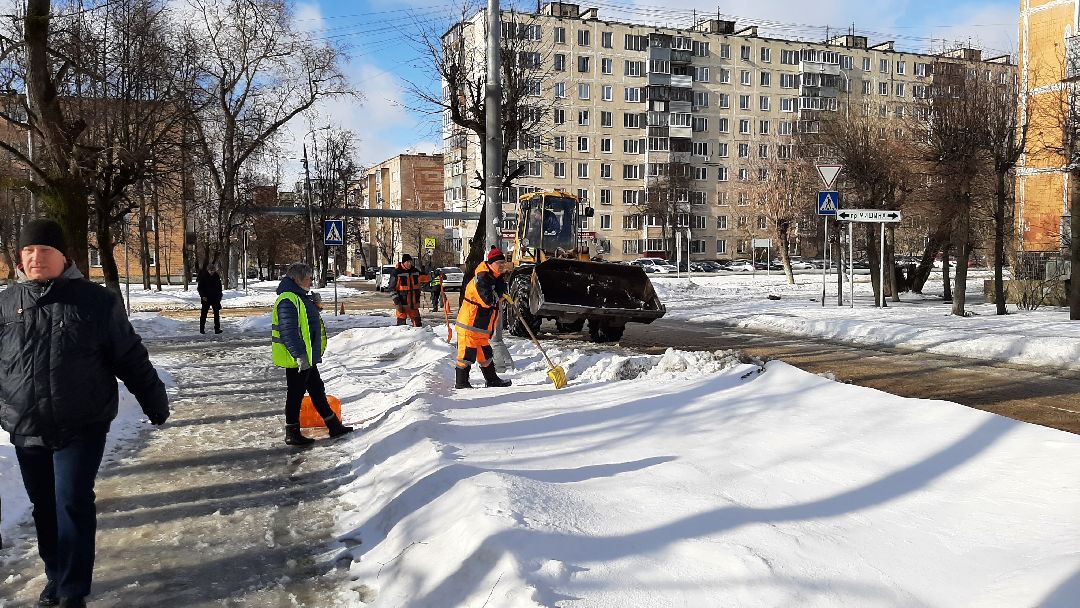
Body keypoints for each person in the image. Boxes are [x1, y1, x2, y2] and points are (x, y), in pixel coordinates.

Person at [0, 219, 169, 608]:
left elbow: (128, 356)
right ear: (19, 258)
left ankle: (73, 587)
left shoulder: (96, 301)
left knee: (71, 500)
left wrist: (153, 400)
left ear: (64, 257)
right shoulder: (7, 305)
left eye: (45, 251)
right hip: (27, 426)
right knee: (43, 506)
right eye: (29, 251)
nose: (36, 258)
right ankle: (55, 574)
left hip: (81, 424)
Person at [272, 263, 353, 446]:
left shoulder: (299, 297)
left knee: (317, 390)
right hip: (297, 358)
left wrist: (315, 306)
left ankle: (333, 425)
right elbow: (288, 331)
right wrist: (300, 355)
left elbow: (306, 323)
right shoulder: (287, 300)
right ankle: (292, 431)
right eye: (308, 278)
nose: (311, 281)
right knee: (295, 394)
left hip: (306, 356)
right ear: (297, 279)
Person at [454, 246, 512, 389]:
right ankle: (461, 383)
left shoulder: (495, 278)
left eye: (503, 263)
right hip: (470, 324)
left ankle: (492, 380)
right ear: (491, 263)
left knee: (485, 354)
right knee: (466, 355)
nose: (502, 266)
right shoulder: (482, 278)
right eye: (499, 263)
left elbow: (496, 295)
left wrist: (502, 291)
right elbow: (487, 301)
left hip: (481, 327)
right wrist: (500, 295)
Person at [390, 254, 427, 327]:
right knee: (401, 326)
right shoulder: (397, 272)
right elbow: (391, 289)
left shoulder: (415, 271)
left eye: (410, 262)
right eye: (408, 262)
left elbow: (425, 278)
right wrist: (397, 302)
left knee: (418, 325)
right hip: (402, 304)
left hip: (414, 304)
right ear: (403, 262)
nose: (409, 264)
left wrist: (435, 274)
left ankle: (418, 338)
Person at [197, 264, 223, 334]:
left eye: (213, 270)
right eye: (210, 270)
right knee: (204, 314)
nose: (212, 272)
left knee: (216, 314)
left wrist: (220, 296)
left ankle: (217, 328)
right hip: (206, 298)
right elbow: (200, 288)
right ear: (208, 270)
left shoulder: (216, 276)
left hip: (215, 298)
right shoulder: (203, 277)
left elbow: (219, 287)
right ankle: (202, 329)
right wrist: (203, 296)